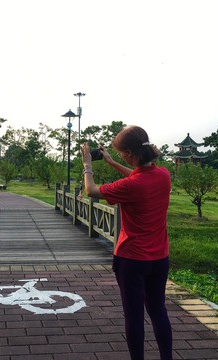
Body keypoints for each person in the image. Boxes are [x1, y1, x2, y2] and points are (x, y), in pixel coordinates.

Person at [80, 125, 173, 360]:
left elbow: (90, 190)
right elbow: (138, 175)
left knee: (133, 316)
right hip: (160, 258)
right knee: (158, 311)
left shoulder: (130, 186)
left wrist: (87, 166)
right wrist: (112, 162)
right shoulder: (163, 175)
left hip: (132, 259)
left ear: (130, 154)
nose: (121, 157)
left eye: (121, 154)